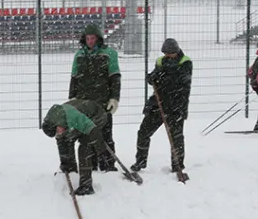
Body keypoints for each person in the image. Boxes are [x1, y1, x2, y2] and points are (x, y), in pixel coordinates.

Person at [131, 38, 192, 175]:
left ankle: (177, 165)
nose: (168, 56)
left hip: (176, 106)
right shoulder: (160, 61)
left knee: (176, 138)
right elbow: (155, 77)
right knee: (143, 132)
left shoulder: (185, 62)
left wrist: (161, 76)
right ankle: (140, 161)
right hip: (157, 104)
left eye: (170, 53)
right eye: (166, 53)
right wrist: (151, 78)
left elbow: (180, 83)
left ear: (176, 51)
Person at [68, 24, 121, 172]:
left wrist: (114, 98)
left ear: (98, 39)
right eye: (87, 38)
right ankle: (90, 164)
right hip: (83, 102)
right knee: (86, 134)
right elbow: (74, 78)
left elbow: (115, 77)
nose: (90, 41)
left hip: (102, 100)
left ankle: (108, 164)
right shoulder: (79, 55)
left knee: (105, 134)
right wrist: (72, 98)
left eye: (92, 38)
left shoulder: (109, 54)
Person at [41, 99, 108, 195]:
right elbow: (61, 140)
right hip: (81, 115)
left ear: (56, 125)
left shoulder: (73, 117)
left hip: (97, 116)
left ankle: (86, 186)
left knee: (85, 148)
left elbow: (93, 131)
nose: (58, 133)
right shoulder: (54, 120)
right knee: (63, 138)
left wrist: (101, 151)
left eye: (57, 131)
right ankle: (69, 167)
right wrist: (66, 164)